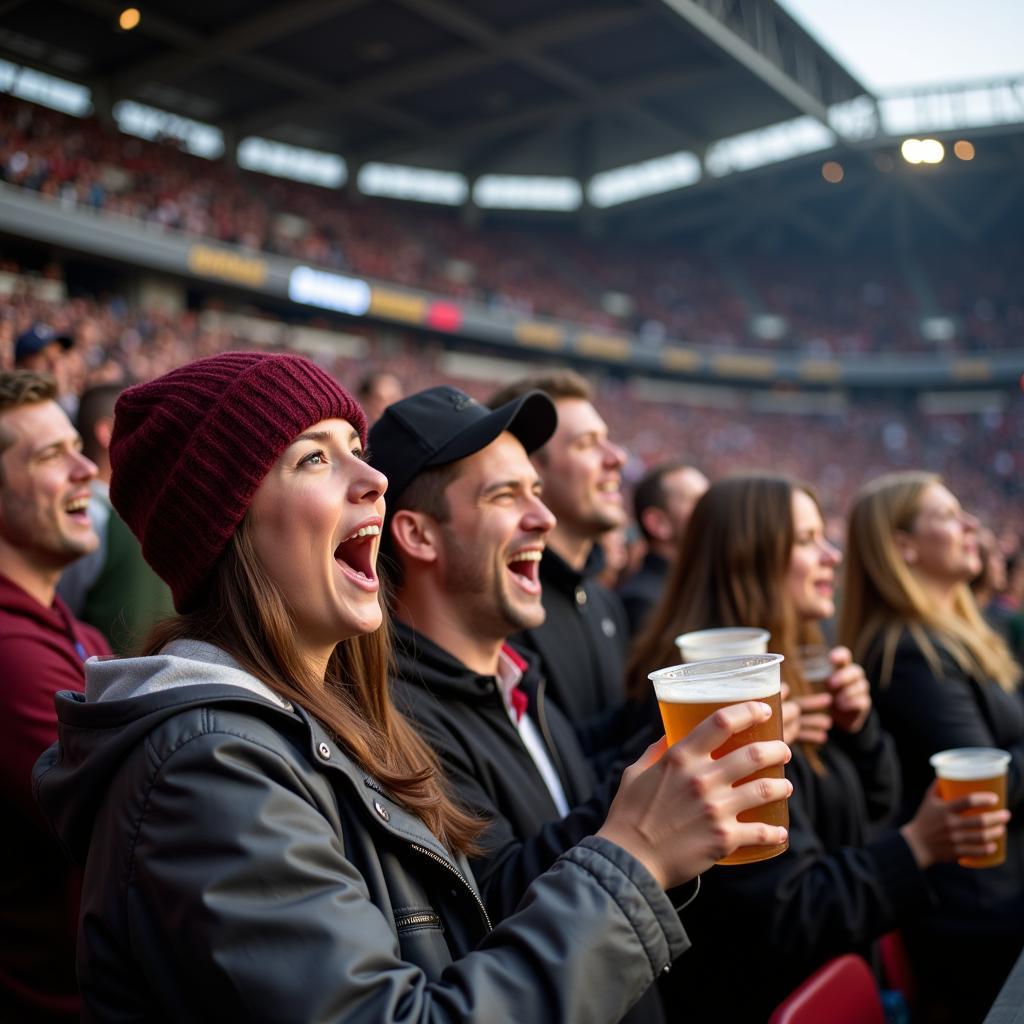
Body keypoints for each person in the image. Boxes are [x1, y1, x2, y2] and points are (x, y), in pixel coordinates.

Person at [33, 352, 793, 1022]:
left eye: (360, 451)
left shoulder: (326, 727)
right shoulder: (205, 770)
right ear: (226, 526)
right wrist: (633, 858)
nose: (374, 481)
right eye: (314, 459)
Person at [625, 473, 1007, 1022]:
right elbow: (786, 914)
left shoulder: (796, 669)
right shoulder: (703, 707)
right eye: (806, 541)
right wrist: (916, 847)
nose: (831, 556)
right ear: (748, 559)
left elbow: (867, 813)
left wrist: (860, 731)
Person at [369, 385, 694, 1024]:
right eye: (504, 496)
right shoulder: (396, 717)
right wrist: (645, 814)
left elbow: (566, 819)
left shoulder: (519, 674)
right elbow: (489, 913)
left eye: (536, 492)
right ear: (417, 534)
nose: (542, 519)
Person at [840, 470, 1024, 1024]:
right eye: (947, 515)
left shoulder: (956, 632)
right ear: (903, 547)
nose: (972, 525)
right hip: (981, 914)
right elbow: (984, 782)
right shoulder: (909, 653)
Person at [0, 369, 110, 1023]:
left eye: (77, 446)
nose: (85, 471)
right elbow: (141, 822)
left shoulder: (81, 631)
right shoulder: (10, 655)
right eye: (50, 456)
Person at [489, 370, 632, 761]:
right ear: (530, 468)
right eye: (587, 444)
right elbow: (552, 776)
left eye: (606, 440)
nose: (617, 457)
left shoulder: (603, 601)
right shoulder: (502, 610)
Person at [57, 383, 175, 652]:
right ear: (107, 433)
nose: (160, 438)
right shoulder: (86, 515)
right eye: (149, 427)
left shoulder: (153, 511)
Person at [617, 462, 708, 635]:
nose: (711, 508)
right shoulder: (642, 601)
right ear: (658, 523)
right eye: (698, 501)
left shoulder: (694, 585)